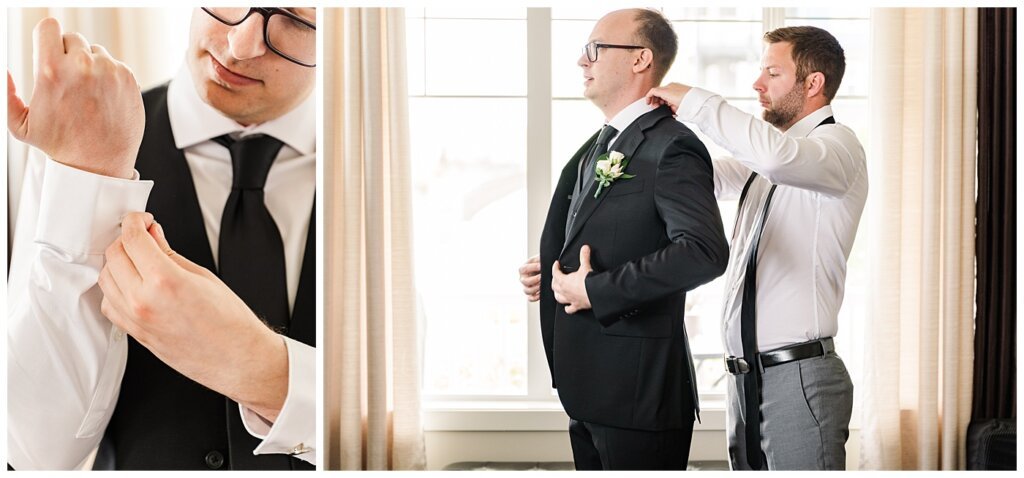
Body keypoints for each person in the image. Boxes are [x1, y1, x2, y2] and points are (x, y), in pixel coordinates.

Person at [7, 7, 316, 470]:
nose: (241, 44)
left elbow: (394, 430)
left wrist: (257, 366)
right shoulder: (72, 144)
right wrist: (91, 179)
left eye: (296, 20)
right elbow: (35, 454)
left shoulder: (377, 169)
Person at [642, 26, 867, 470]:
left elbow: (776, 158)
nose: (757, 84)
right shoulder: (763, 163)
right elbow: (692, 178)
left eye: (772, 72)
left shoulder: (836, 149)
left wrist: (697, 102)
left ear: (813, 83)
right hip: (745, 381)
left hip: (799, 378)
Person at [523, 8, 728, 470]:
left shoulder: (672, 145)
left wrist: (595, 290)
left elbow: (704, 252)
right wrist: (555, 272)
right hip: (588, 388)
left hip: (638, 394)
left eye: (595, 48)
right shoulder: (599, 145)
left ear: (641, 59)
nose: (582, 60)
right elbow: (614, 234)